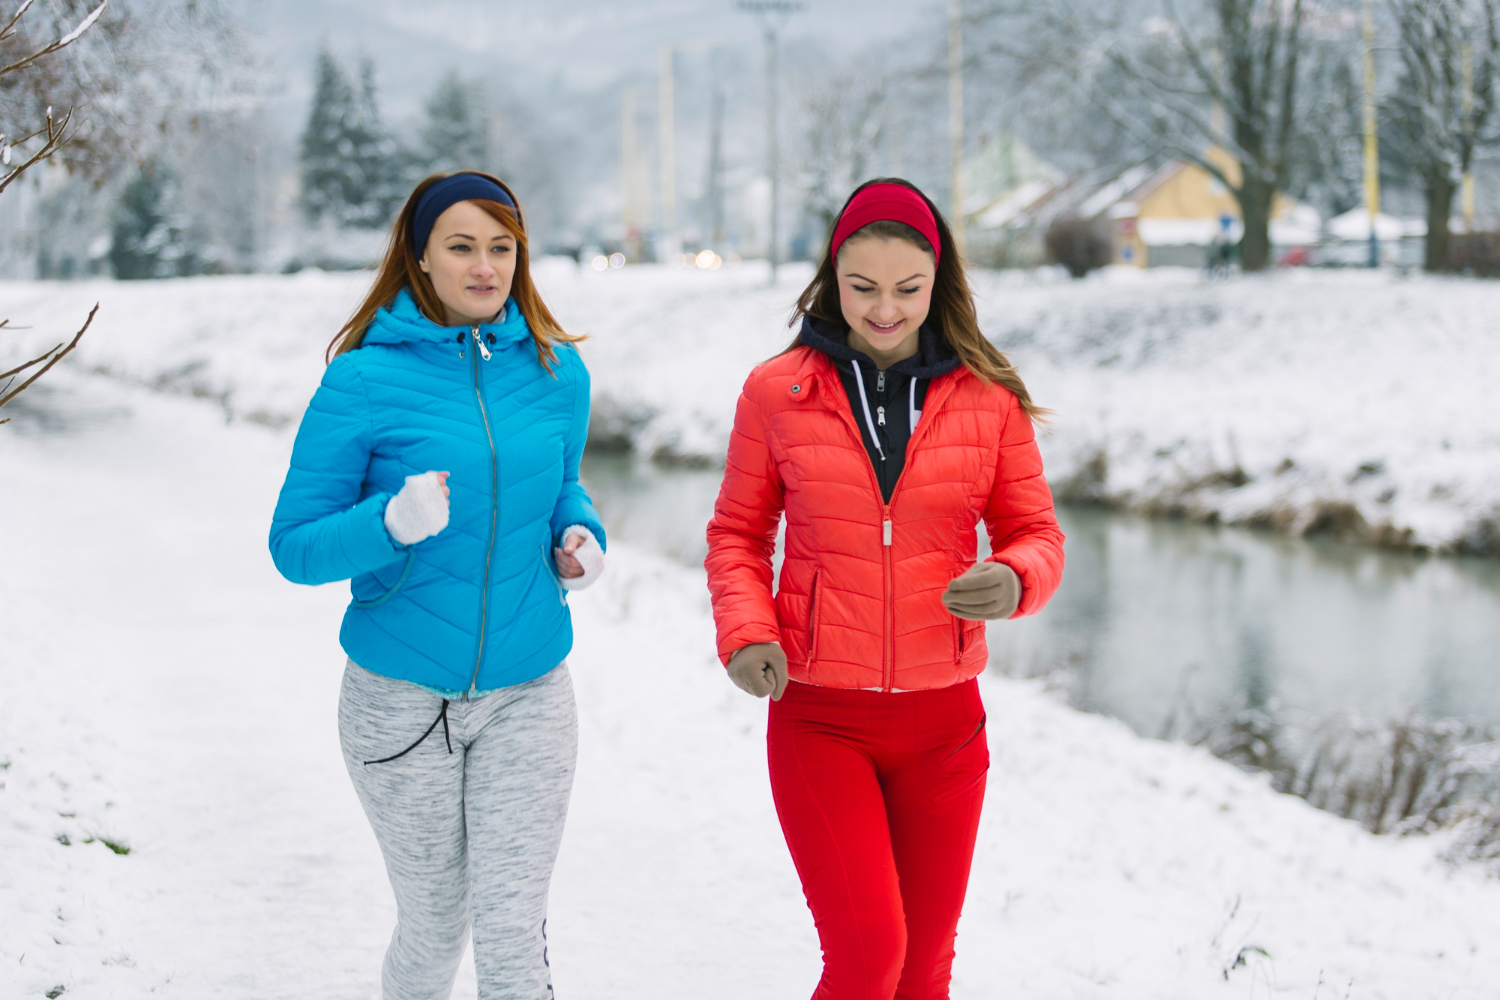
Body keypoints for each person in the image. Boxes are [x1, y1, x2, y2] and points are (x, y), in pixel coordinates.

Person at [705, 178, 1065, 1000]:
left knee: (924, 975)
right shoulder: (777, 391)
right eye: (862, 287)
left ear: (939, 282)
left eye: (908, 288)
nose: (885, 310)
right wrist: (746, 631)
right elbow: (737, 534)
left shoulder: (988, 395)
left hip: (945, 727)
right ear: (832, 276)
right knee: (869, 960)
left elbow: (1038, 534)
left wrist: (1017, 579)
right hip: (819, 718)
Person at [269, 170, 605, 1000]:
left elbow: (564, 486)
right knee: (434, 923)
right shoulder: (361, 382)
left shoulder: (558, 373)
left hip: (529, 689)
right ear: (421, 257)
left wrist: (580, 537)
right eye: (461, 247)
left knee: (512, 931)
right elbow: (295, 546)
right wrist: (388, 523)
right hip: (400, 701)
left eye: (501, 247)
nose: (485, 267)